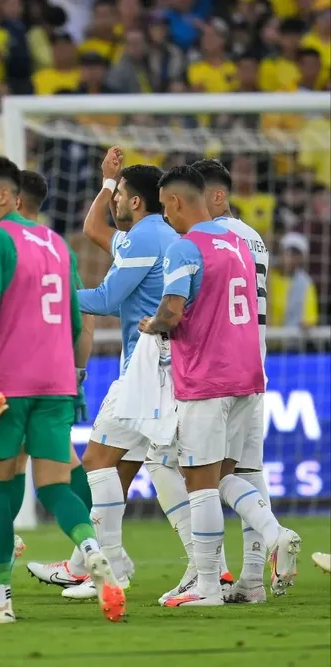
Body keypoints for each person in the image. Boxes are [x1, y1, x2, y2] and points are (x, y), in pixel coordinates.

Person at [0, 155, 124, 625]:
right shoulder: (56, 243)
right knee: (54, 484)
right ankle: (92, 550)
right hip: (55, 383)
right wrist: (71, 378)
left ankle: (0, 602)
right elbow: (75, 320)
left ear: (6, 196)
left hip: (7, 385)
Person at [30, 150, 186, 601]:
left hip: (146, 371)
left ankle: (112, 570)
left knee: (99, 463)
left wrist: (43, 296)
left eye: (118, 195)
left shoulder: (142, 240)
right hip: (162, 369)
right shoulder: (153, 233)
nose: (113, 201)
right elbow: (94, 229)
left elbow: (102, 299)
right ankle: (86, 564)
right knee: (132, 473)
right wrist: (105, 181)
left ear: (134, 202)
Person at [138, 166, 294, 607]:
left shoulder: (186, 247)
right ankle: (261, 561)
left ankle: (208, 585)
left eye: (167, 207)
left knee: (199, 481)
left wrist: (153, 326)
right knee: (238, 474)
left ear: (176, 202)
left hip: (207, 375)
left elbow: (172, 311)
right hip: (251, 371)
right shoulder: (244, 243)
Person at [192, 158, 302, 604]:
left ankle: (207, 575)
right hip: (255, 363)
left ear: (217, 196)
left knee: (208, 474)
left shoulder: (211, 239)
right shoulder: (253, 238)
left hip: (219, 368)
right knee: (249, 470)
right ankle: (253, 580)